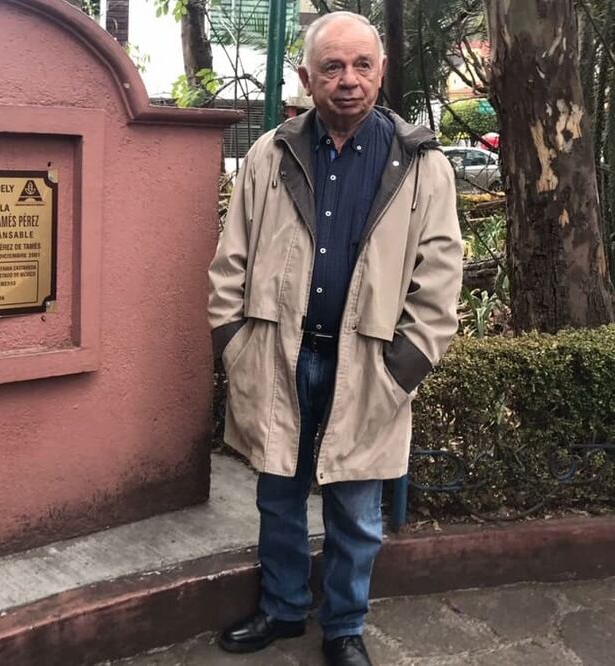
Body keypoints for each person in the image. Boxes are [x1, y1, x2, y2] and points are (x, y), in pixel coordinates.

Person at [207, 11, 463, 666]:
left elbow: (439, 281)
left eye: (361, 66)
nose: (347, 81)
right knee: (278, 498)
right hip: (279, 355)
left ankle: (345, 626)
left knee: (357, 509)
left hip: (370, 362)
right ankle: (283, 609)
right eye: (332, 67)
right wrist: (234, 342)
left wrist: (405, 365)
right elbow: (229, 261)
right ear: (306, 78)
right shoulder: (271, 153)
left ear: (380, 73)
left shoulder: (419, 164)